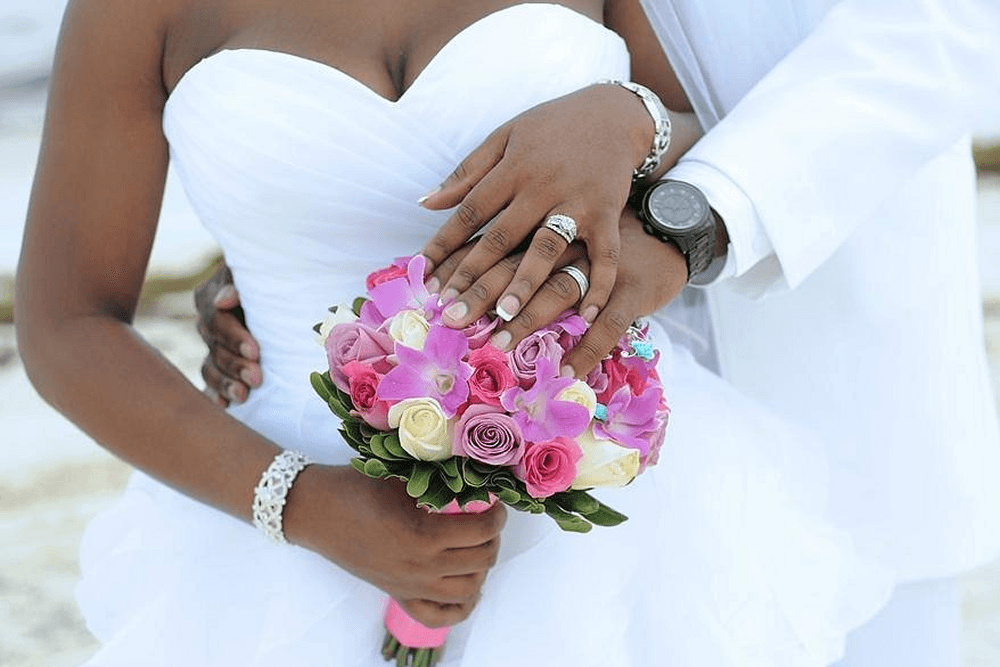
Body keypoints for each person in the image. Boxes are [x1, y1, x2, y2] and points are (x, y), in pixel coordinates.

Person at [16, 0, 936, 665]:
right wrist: (304, 506)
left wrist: (629, 121)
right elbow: (66, 321)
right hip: (289, 521)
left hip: (620, 528)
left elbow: (718, 137)